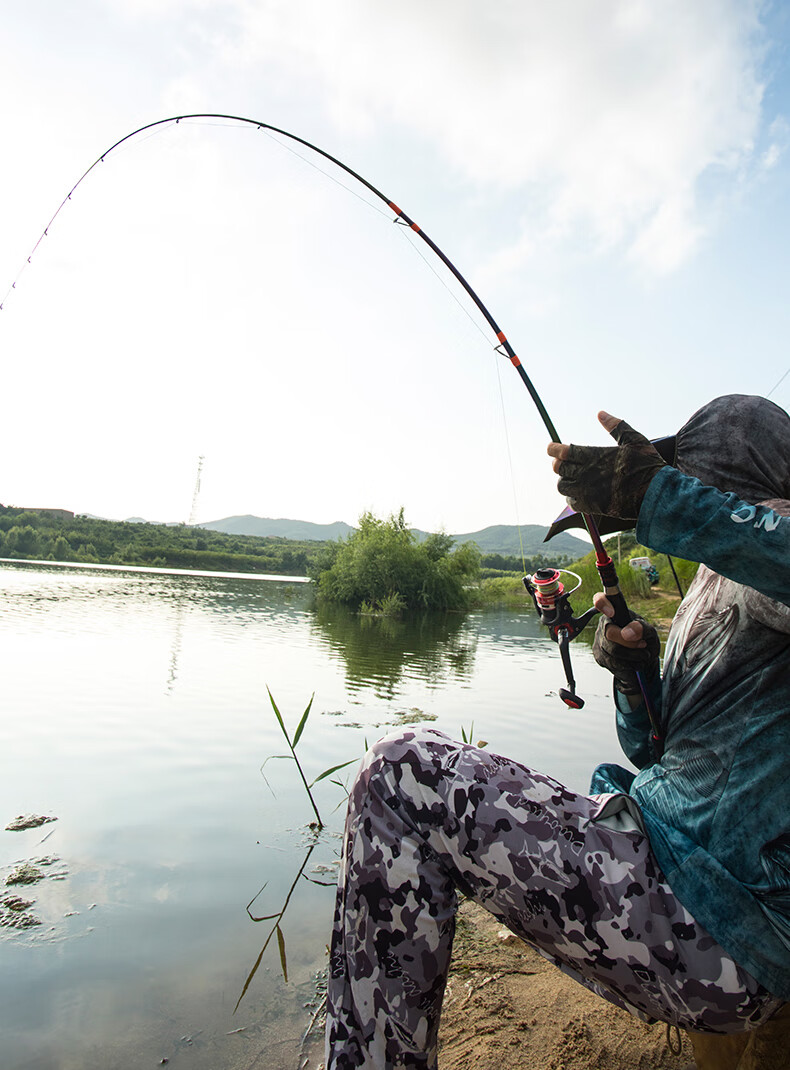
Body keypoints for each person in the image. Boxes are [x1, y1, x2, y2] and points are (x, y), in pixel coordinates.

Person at [325, 394, 789, 1070]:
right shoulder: (722, 576)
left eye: (687, 469)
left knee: (401, 773)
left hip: (712, 924)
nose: (676, 482)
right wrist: (636, 675)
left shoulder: (771, 534)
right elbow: (655, 753)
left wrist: (663, 496)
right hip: (692, 891)